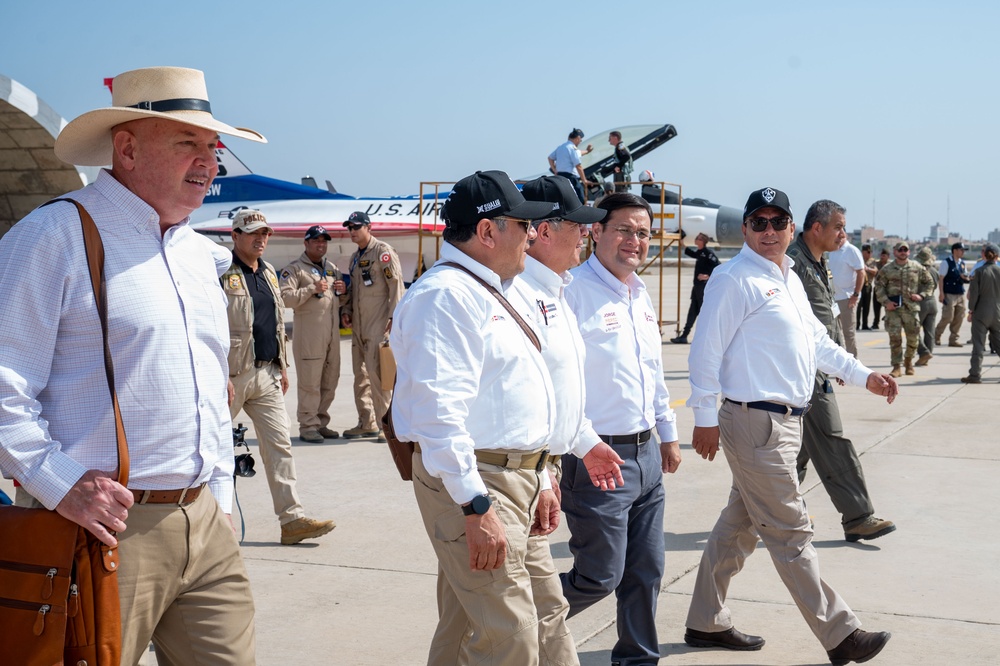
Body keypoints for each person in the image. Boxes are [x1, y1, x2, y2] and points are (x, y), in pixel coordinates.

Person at [0, 66, 263, 664]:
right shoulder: (54, 236)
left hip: (204, 524)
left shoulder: (202, 256)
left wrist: (217, 499)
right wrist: (60, 484)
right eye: (187, 143)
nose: (209, 162)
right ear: (127, 147)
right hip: (101, 532)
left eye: (212, 146)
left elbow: (210, 391)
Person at [685, 186, 897, 664]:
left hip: (786, 423)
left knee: (737, 527)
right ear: (744, 229)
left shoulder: (791, 279)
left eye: (777, 222)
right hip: (753, 422)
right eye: (758, 222)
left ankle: (704, 620)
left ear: (790, 229)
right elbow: (705, 352)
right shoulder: (733, 278)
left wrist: (865, 377)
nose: (768, 231)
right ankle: (841, 635)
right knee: (791, 531)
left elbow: (819, 343)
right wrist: (702, 418)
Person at [389, 170, 556, 664]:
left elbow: (512, 396)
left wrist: (539, 473)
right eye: (522, 225)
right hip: (478, 481)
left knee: (465, 628)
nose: (532, 235)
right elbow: (440, 415)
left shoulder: (487, 288)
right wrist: (474, 506)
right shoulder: (447, 296)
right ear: (487, 232)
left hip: (508, 477)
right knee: (512, 637)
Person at [562, 192, 682, 666]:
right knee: (598, 575)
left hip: (645, 452)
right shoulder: (572, 290)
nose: (635, 241)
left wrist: (667, 434)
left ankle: (638, 659)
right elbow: (562, 382)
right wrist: (585, 445)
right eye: (625, 230)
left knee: (646, 570)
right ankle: (511, 628)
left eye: (643, 233)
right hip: (597, 458)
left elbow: (651, 369)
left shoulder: (639, 291)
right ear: (597, 231)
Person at [513, 174, 627, 665]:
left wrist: (583, 443)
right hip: (508, 475)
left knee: (536, 613)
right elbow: (519, 404)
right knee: (511, 621)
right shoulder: (515, 296)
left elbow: (559, 393)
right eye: (576, 226)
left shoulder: (555, 291)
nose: (586, 235)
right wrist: (539, 471)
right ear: (541, 230)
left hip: (539, 468)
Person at [223, 210, 336, 545]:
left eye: (265, 234)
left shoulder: (270, 272)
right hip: (231, 375)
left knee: (280, 447)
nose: (261, 239)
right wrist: (216, 373)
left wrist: (282, 366)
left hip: (267, 371)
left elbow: (273, 321)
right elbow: (206, 324)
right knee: (210, 449)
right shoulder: (220, 272)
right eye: (253, 233)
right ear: (236, 236)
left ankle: (292, 521)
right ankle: (207, 522)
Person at [786, 200, 896, 543]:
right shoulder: (792, 263)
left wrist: (842, 363)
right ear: (816, 228)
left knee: (800, 450)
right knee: (831, 438)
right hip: (804, 369)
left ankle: (766, 511)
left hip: (818, 364)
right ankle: (858, 516)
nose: (843, 234)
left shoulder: (816, 260)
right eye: (838, 227)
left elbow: (824, 317)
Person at [340, 211, 405, 441]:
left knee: (380, 377)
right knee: (360, 376)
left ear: (369, 227)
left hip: (378, 324)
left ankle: (388, 425)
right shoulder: (355, 258)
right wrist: (346, 311)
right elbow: (355, 290)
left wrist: (393, 318)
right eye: (350, 227)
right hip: (358, 326)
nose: (352, 231)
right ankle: (367, 422)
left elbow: (396, 285)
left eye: (357, 227)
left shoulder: (382, 253)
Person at [280, 225, 347, 442]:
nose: (321, 244)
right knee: (310, 382)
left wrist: (342, 291)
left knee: (330, 379)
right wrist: (311, 289)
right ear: (306, 243)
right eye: (316, 240)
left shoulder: (332, 268)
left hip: (331, 335)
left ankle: (321, 422)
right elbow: (285, 298)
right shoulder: (296, 269)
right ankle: (308, 425)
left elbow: (338, 300)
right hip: (309, 337)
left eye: (324, 241)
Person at [874, 242, 935, 377]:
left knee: (913, 339)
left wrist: (922, 295)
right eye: (900, 249)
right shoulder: (887, 269)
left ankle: (908, 362)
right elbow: (878, 286)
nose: (902, 252)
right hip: (893, 310)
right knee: (895, 339)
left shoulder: (917, 267)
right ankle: (896, 366)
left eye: (905, 250)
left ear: (909, 252)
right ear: (895, 252)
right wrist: (886, 302)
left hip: (911, 309)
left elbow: (930, 282)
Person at [671, 231, 720, 344]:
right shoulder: (700, 252)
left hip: (703, 288)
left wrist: (707, 276)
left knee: (705, 313)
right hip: (696, 288)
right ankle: (684, 336)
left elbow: (718, 266)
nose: (695, 239)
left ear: (702, 241)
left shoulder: (708, 253)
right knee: (692, 312)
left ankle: (709, 337)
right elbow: (690, 252)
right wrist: (681, 239)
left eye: (697, 238)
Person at [962, 243, 1000, 384]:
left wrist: (971, 311)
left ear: (985, 255)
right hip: (997, 312)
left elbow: (974, 295)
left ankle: (975, 374)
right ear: (997, 256)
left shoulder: (979, 272)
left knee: (978, 345)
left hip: (981, 313)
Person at [828, 235, 866, 357]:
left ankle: (853, 366)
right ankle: (840, 365)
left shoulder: (851, 250)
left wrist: (855, 295)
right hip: (834, 299)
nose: (838, 238)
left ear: (845, 236)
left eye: (841, 236)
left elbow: (861, 272)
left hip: (847, 298)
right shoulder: (832, 251)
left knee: (848, 334)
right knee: (835, 334)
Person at [935, 242, 971, 347]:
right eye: (961, 250)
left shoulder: (962, 263)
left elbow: (965, 276)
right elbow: (941, 279)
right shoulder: (946, 263)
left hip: (960, 293)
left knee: (959, 317)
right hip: (949, 293)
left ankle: (953, 339)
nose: (963, 252)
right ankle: (936, 335)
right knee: (947, 317)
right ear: (955, 250)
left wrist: (966, 278)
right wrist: (941, 293)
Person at [548, 128, 595, 204]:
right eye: (580, 139)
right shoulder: (572, 149)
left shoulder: (561, 147)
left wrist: (555, 170)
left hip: (559, 177)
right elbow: (578, 166)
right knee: (580, 199)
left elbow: (550, 158)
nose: (580, 141)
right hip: (570, 178)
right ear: (578, 138)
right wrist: (584, 180)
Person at [914, 247, 940, 366]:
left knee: (913, 329)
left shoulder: (918, 270)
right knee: (930, 332)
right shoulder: (934, 271)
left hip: (921, 302)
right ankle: (927, 354)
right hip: (932, 302)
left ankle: (923, 352)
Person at [857, 244, 878, 330]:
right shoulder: (858, 259)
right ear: (863, 252)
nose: (869, 254)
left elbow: (875, 271)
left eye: (870, 252)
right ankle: (857, 324)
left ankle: (865, 325)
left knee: (866, 307)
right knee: (858, 307)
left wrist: (867, 269)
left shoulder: (872, 262)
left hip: (867, 286)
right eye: (868, 252)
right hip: (859, 286)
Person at [871, 248, 890, 329]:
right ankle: (876, 323)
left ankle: (888, 322)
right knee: (876, 307)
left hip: (887, 289)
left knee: (888, 307)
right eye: (881, 255)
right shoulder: (876, 264)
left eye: (884, 255)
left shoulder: (890, 265)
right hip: (877, 289)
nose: (882, 257)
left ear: (888, 256)